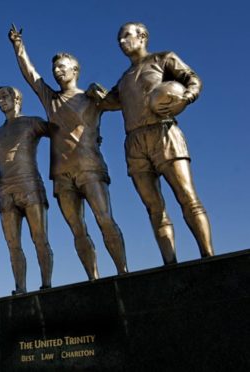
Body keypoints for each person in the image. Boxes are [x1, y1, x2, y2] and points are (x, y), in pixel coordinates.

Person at [8, 25, 128, 280]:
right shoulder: (50, 99)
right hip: (61, 174)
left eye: (63, 66)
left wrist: (104, 94)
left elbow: (121, 103)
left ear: (75, 70)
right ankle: (93, 278)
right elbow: (31, 75)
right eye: (55, 68)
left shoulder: (92, 98)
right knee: (77, 230)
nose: (57, 70)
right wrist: (19, 47)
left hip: (90, 168)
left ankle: (123, 272)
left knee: (105, 219)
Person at [92, 22, 214, 264]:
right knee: (154, 208)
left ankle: (209, 257)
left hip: (164, 133)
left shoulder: (163, 58)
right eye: (119, 39)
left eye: (126, 36)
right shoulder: (125, 77)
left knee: (187, 196)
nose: (122, 42)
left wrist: (187, 98)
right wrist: (97, 96)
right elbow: (113, 102)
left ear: (142, 36)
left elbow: (193, 79)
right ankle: (170, 263)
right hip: (135, 142)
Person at [0, 86, 54, 294]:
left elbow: (60, 132)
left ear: (16, 98)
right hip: (5, 191)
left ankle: (47, 284)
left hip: (30, 185)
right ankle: (20, 288)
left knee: (40, 238)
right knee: (13, 244)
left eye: (4, 96)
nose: (0, 101)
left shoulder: (31, 122)